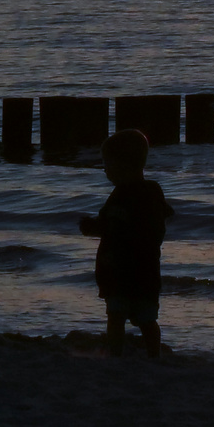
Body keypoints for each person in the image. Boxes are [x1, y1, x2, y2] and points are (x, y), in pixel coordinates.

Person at [78, 128, 174, 358]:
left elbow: (119, 225)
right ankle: (144, 354)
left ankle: (128, 352)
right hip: (139, 270)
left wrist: (96, 227)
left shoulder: (130, 194)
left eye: (107, 164)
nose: (105, 169)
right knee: (136, 317)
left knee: (127, 316)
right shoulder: (143, 192)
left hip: (128, 269)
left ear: (123, 164)